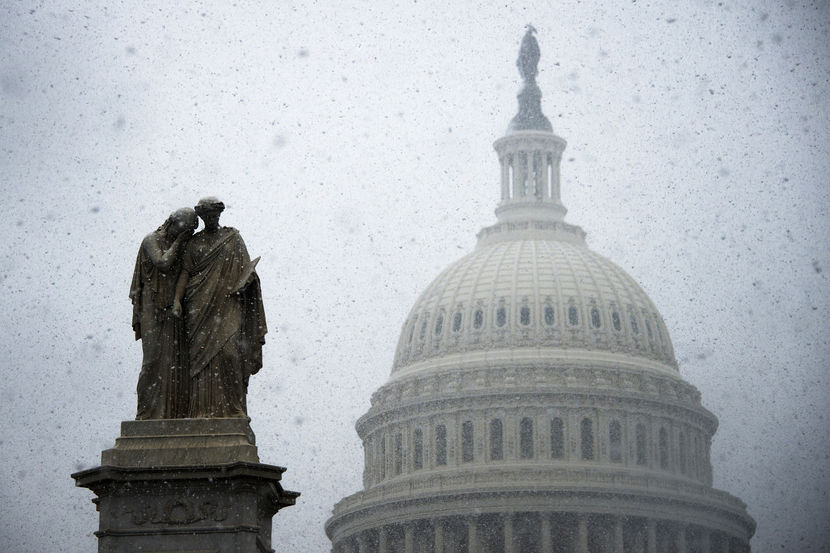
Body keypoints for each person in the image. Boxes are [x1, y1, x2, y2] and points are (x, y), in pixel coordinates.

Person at [173, 197, 266, 418]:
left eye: (214, 214)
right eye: (207, 215)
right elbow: (185, 273)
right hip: (199, 305)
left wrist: (248, 280)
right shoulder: (194, 243)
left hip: (228, 303)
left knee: (230, 353)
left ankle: (233, 408)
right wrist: (176, 299)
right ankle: (201, 411)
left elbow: (246, 269)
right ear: (201, 217)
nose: (211, 218)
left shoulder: (232, 238)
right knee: (199, 361)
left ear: (220, 214)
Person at [130, 207, 198, 419]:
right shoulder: (151, 240)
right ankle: (146, 413)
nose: (185, 235)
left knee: (175, 363)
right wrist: (179, 242)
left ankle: (172, 414)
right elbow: (162, 263)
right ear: (172, 223)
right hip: (152, 306)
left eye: (189, 231)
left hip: (173, 309)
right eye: (184, 230)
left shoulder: (184, 246)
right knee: (152, 360)